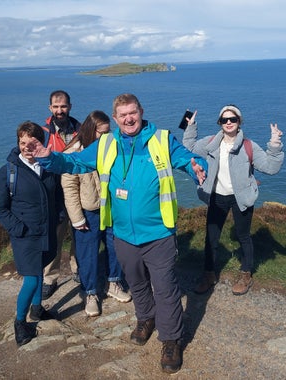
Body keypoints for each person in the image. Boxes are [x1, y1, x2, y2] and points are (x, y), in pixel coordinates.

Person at [28, 93, 207, 374]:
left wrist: (199, 166)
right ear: (115, 119)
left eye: (132, 112)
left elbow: (187, 158)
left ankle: (171, 340)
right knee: (135, 283)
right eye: (122, 115)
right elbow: (74, 164)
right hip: (122, 233)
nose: (128, 118)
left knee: (165, 289)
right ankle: (146, 319)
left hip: (158, 232)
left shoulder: (161, 139)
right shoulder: (105, 144)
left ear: (141, 111)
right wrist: (49, 158)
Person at [182, 104, 284, 295]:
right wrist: (190, 127)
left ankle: (246, 274)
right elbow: (188, 148)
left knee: (244, 236)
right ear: (220, 123)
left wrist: (275, 144)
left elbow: (271, 167)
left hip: (240, 198)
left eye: (233, 119)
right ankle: (209, 274)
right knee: (211, 238)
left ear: (239, 122)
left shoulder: (248, 146)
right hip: (216, 197)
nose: (228, 122)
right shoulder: (211, 142)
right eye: (224, 119)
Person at [0, 121, 61, 347]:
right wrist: (18, 229)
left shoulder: (48, 166)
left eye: (33, 142)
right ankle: (20, 323)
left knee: (40, 270)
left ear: (41, 142)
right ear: (17, 143)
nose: (27, 147)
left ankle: (37, 309)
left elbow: (56, 196)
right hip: (25, 236)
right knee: (31, 278)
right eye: (23, 142)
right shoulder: (8, 172)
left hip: (46, 231)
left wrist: (59, 217)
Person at [61, 110, 132, 317]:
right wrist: (76, 218)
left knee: (115, 247)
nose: (108, 136)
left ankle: (113, 283)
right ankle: (90, 293)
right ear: (92, 131)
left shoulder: (110, 148)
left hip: (110, 207)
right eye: (103, 132)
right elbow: (69, 188)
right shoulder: (73, 154)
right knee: (88, 254)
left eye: (109, 131)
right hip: (87, 211)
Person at [41, 90, 81, 300]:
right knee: (54, 236)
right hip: (54, 192)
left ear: (70, 106)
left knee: (79, 232)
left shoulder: (81, 129)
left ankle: (77, 269)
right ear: (50, 108)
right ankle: (50, 278)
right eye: (56, 107)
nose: (60, 111)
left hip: (77, 189)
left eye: (63, 106)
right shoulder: (44, 132)